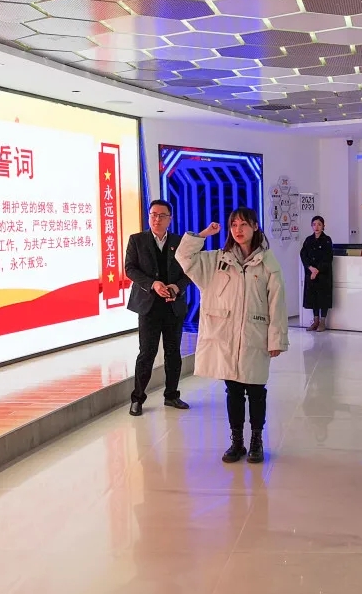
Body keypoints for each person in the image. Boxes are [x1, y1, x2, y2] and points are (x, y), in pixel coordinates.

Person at [175, 209, 290, 465]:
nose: (238, 229)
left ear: (255, 226)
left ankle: (256, 440)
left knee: (256, 390)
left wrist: (276, 339)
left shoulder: (268, 263)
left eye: (244, 224)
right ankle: (237, 441)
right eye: (234, 225)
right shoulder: (218, 260)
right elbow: (184, 256)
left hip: (255, 336)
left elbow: (277, 304)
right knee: (233, 391)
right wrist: (204, 234)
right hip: (226, 338)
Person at [125, 199, 192, 416]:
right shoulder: (137, 240)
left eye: (162, 215)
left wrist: (177, 287)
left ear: (170, 219)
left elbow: (190, 270)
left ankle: (171, 395)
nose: (157, 219)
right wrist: (152, 284)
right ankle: (137, 399)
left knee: (173, 353)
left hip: (173, 306)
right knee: (147, 353)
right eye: (153, 215)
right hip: (149, 306)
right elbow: (130, 269)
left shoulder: (179, 242)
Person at [300, 216, 334, 332]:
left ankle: (322, 322)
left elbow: (328, 257)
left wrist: (317, 270)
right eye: (314, 224)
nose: (316, 227)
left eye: (319, 224)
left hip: (323, 274)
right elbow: (303, 255)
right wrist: (310, 268)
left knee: (323, 298)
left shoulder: (327, 240)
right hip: (311, 273)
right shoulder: (308, 240)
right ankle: (315, 321)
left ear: (323, 226)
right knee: (313, 298)